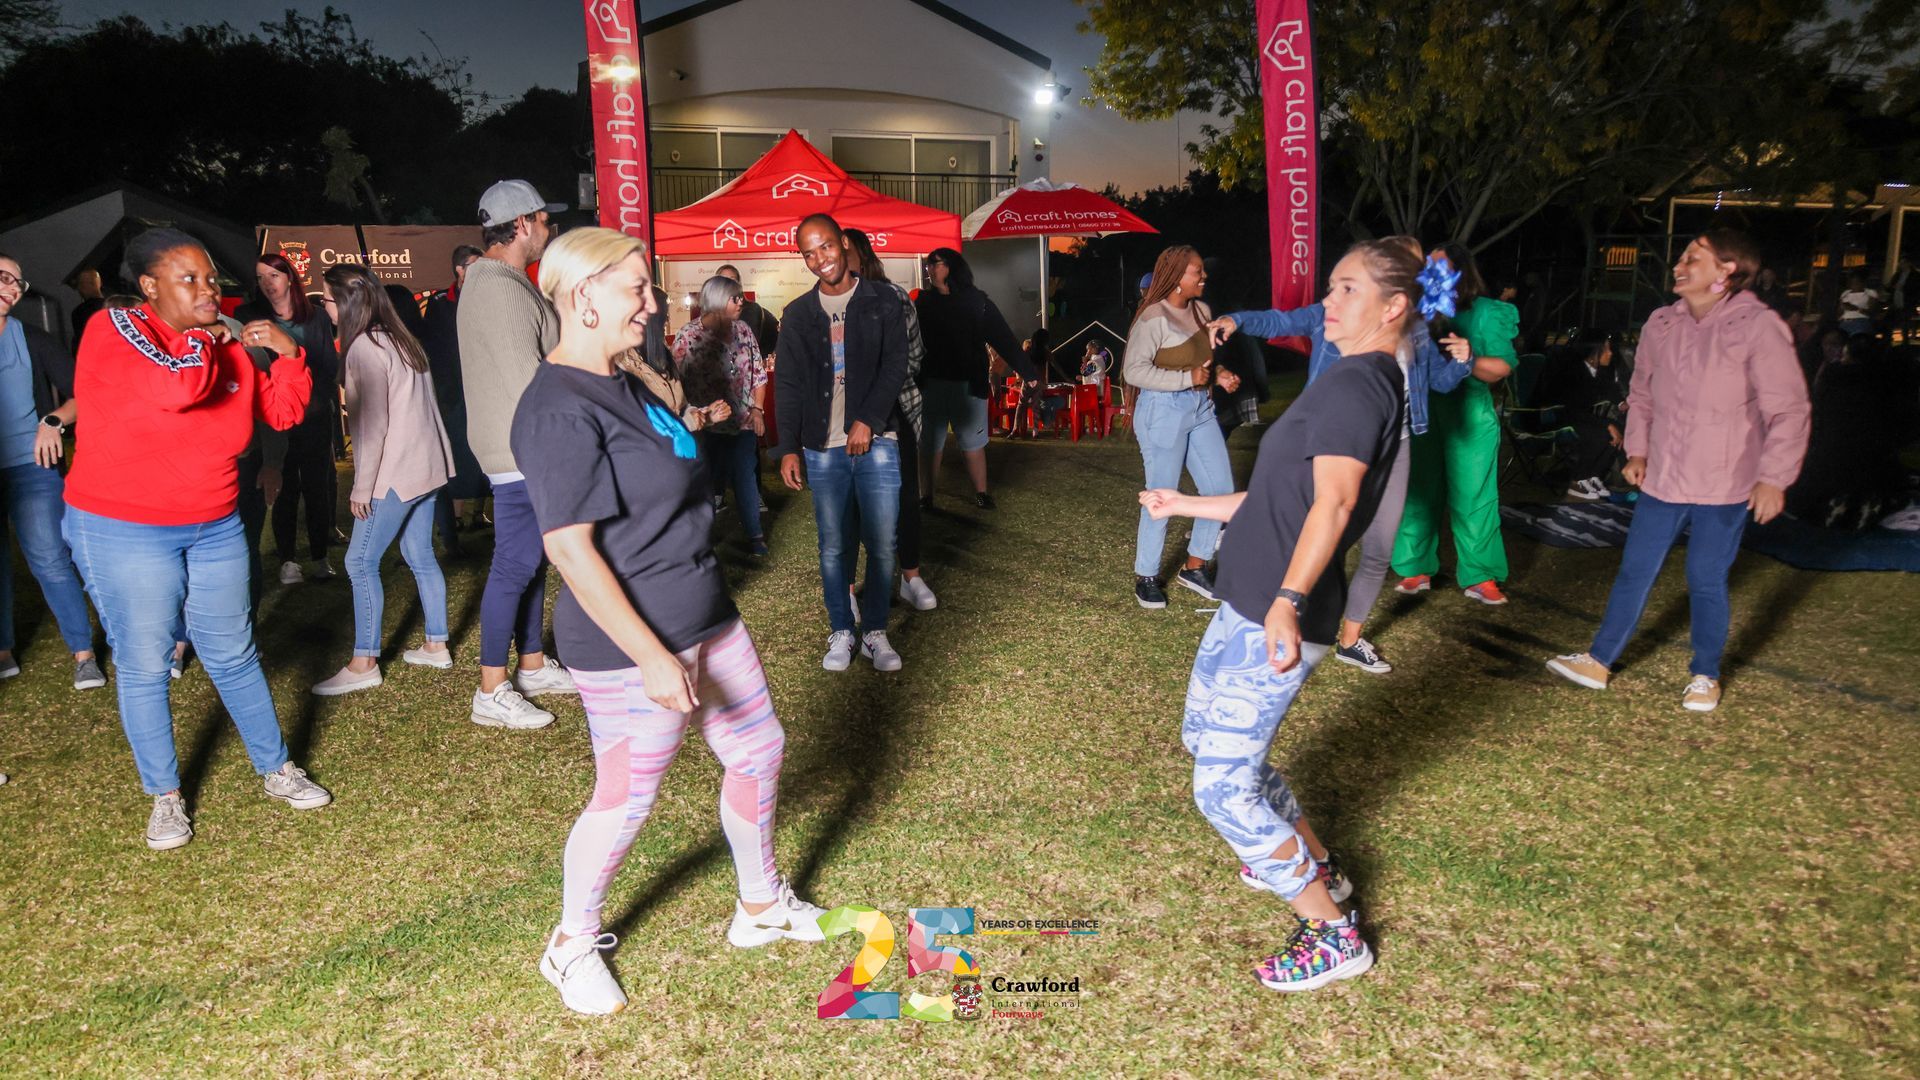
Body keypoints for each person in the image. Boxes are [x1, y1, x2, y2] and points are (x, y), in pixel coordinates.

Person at [511, 227, 827, 1017]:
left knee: (758, 747)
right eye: (636, 289)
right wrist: (653, 655)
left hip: (705, 612)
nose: (653, 303)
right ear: (582, 297)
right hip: (631, 643)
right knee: (625, 800)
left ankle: (758, 906)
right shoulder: (555, 406)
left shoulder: (625, 380)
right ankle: (569, 944)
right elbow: (571, 551)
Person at [1140, 237, 1427, 993]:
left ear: (1393, 307)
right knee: (1206, 740)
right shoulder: (1352, 379)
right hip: (1250, 595)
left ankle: (1333, 934)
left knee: (1221, 786)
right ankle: (1320, 866)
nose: (1326, 304)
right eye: (1331, 288)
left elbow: (1333, 506)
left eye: (1346, 291)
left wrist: (1288, 604)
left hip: (1277, 607)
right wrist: (1184, 505)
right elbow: (1276, 496)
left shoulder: (1360, 387)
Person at [62, 228, 332, 850]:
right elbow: (178, 385)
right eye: (190, 280)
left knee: (233, 650)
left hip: (213, 523)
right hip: (125, 526)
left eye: (212, 278)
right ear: (150, 287)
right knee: (146, 661)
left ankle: (276, 768)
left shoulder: (225, 344)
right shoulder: (116, 329)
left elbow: (283, 413)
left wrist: (289, 355)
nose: (209, 289)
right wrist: (215, 337)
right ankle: (164, 797)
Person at [1547, 229, 1810, 713]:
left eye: (1693, 258)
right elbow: (1642, 395)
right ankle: (1599, 661)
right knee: (1635, 571)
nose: (1679, 265)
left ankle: (1705, 674)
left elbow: (1789, 409)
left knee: (1705, 577)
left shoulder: (1757, 325)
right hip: (1664, 476)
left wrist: (1774, 477)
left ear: (1727, 270)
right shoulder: (1661, 324)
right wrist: (1638, 452)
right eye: (1682, 257)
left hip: (1726, 481)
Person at [1206, 243, 1469, 674]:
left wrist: (1462, 362)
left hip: (1392, 445)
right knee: (1311, 527)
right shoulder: (1339, 318)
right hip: (1330, 439)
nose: (1335, 297)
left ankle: (1349, 639)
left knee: (1379, 546)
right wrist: (1237, 319)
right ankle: (1270, 607)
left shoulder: (1416, 330)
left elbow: (1438, 382)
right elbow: (1281, 320)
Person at [457, 179, 579, 730]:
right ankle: (491, 688)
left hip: (514, 441)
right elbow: (527, 378)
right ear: (523, 224)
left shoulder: (498, 280)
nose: (549, 230)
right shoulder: (501, 286)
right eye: (544, 220)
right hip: (517, 444)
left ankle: (529, 662)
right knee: (515, 563)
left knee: (529, 562)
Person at [309, 264, 456, 695]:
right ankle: (436, 644)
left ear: (348, 303)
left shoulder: (364, 348)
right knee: (418, 552)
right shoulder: (401, 339)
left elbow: (372, 427)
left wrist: (362, 487)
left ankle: (364, 661)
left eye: (327, 300)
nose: (325, 308)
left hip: (397, 471)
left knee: (359, 561)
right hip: (426, 467)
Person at [775, 214, 910, 672]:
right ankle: (841, 629)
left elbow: (896, 365)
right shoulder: (797, 314)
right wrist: (788, 447)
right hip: (822, 446)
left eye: (826, 247)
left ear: (844, 243)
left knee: (883, 543)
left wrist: (867, 420)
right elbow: (789, 384)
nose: (820, 260)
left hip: (879, 441)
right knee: (833, 546)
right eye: (809, 253)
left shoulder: (882, 300)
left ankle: (874, 631)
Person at [1391, 243, 1517, 606]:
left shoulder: (1489, 313)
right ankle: (1415, 567)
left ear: (1462, 272)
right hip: (1422, 414)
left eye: (1439, 265)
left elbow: (1503, 368)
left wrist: (1470, 357)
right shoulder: (1415, 314)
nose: (1429, 271)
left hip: (1471, 416)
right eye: (1426, 265)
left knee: (1474, 498)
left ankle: (1480, 574)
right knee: (1419, 493)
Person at [0, 252, 103, 689]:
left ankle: (83, 654)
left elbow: (84, 395)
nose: (12, 288)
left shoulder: (34, 339)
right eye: (4, 277)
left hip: (31, 465)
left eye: (17, 284)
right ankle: (3, 649)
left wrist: (54, 420)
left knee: (48, 557)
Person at [1124, 245, 1240, 609]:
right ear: (1176, 279)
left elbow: (1202, 359)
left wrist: (1217, 374)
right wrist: (1186, 378)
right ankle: (1146, 575)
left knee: (1220, 490)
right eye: (1197, 272)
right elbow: (1134, 371)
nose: (1203, 277)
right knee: (1162, 493)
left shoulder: (1203, 310)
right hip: (1162, 411)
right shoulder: (1152, 318)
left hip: (1201, 408)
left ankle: (1195, 566)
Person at [841, 228, 936, 611]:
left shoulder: (895, 297)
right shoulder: (824, 302)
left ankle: (910, 576)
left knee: (905, 497)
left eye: (843, 250)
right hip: (844, 414)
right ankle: (846, 589)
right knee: (848, 502)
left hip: (897, 409)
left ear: (861, 255)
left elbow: (914, 355)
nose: (834, 259)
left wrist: (882, 382)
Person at [237, 253, 341, 585]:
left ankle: (319, 555)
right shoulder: (248, 317)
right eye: (261, 276)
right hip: (272, 418)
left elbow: (327, 365)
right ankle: (287, 559)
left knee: (317, 485)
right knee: (282, 487)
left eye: (274, 275)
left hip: (313, 416)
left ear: (289, 278)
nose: (267, 282)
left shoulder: (316, 317)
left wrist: (313, 400)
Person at [914, 248, 1029, 509]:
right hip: (932, 383)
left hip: (968, 384)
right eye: (928, 265)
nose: (930, 270)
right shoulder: (922, 302)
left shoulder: (977, 301)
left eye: (936, 264)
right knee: (930, 443)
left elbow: (1003, 337)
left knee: (973, 443)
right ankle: (926, 496)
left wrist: (1028, 372)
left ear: (952, 267)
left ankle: (981, 492)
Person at [671, 274, 769, 555]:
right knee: (705, 484)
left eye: (741, 297)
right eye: (734, 297)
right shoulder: (688, 336)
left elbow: (758, 375)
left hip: (742, 423)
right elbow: (675, 383)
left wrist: (758, 409)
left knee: (745, 477)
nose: (741, 302)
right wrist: (693, 416)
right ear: (715, 301)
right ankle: (701, 540)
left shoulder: (744, 331)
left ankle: (755, 535)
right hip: (705, 426)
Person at [422, 244, 486, 553]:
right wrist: (443, 392)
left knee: (485, 450)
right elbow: (434, 350)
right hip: (454, 393)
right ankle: (457, 515)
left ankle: (481, 513)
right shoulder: (439, 304)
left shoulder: (489, 298)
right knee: (458, 451)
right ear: (459, 270)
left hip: (484, 389)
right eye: (475, 265)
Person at [1554, 330, 1625, 501]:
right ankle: (1577, 480)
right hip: (1562, 417)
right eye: (1606, 349)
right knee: (1601, 434)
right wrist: (1606, 425)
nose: (1610, 353)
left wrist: (1622, 404)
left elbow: (1609, 390)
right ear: (1594, 352)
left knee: (1618, 431)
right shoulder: (1573, 372)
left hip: (1583, 416)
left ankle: (1593, 476)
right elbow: (1572, 409)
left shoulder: (1600, 371)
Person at [716, 263, 779, 361]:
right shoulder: (715, 313)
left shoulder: (751, 311)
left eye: (732, 279)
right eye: (723, 280)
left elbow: (746, 349)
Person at [68, 267, 105, 348]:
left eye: (81, 284)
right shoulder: (115, 305)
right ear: (100, 283)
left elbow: (80, 342)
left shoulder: (79, 312)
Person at [1838, 271, 1879, 338]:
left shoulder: (1870, 293)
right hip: (1844, 321)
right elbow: (1839, 312)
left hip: (1861, 321)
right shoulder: (1845, 293)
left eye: (1857, 282)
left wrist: (1855, 308)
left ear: (1863, 282)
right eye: (1852, 282)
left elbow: (1872, 313)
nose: (1854, 285)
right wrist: (1842, 307)